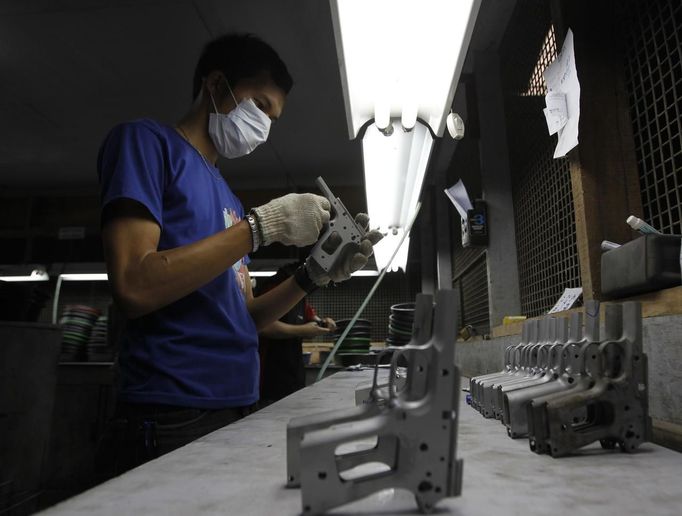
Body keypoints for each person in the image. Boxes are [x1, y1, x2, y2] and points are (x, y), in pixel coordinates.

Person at [96, 33, 382, 474]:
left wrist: (314, 273)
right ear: (216, 84)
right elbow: (133, 284)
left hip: (236, 404)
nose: (265, 126)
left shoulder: (227, 195)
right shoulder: (146, 144)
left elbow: (245, 317)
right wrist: (260, 228)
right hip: (173, 413)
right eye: (261, 105)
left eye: (274, 117)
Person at [256, 263, 337, 405]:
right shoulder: (274, 288)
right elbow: (263, 326)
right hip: (270, 378)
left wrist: (324, 322)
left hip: (293, 375)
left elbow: (310, 315)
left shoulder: (300, 294)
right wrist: (302, 330)